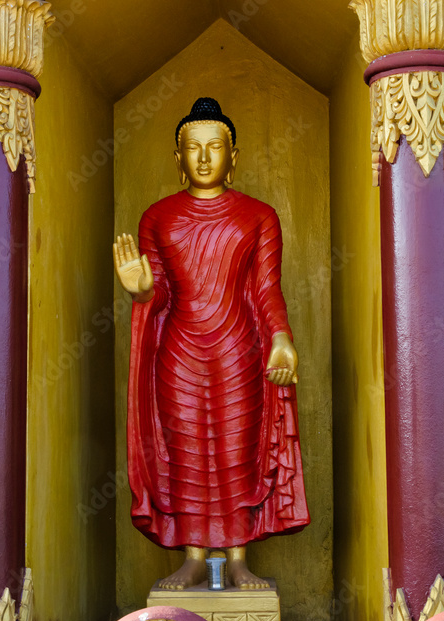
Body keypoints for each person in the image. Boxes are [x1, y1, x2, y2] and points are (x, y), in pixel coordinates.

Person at [115, 98, 310, 591]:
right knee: (185, 451)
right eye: (193, 149)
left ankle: (239, 556)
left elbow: (266, 288)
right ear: (178, 159)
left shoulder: (258, 216)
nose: (204, 158)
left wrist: (282, 338)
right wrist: (140, 289)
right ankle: (195, 555)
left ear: (234, 155)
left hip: (239, 351)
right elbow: (156, 292)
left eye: (215, 147)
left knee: (235, 450)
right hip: (178, 353)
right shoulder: (158, 218)